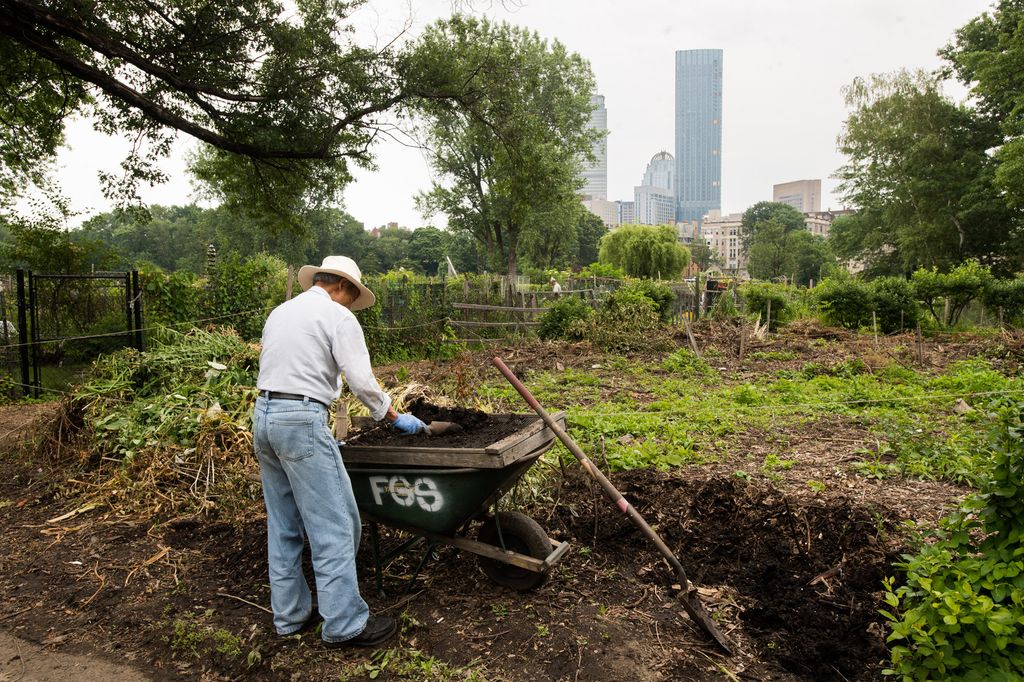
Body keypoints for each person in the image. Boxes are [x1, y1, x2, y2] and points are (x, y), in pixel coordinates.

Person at [253, 255, 426, 648]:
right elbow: (361, 380)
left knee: (283, 525)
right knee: (336, 523)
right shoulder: (338, 316)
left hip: (263, 416)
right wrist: (392, 416)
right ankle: (345, 623)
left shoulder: (282, 312)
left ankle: (290, 616)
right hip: (300, 419)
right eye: (353, 297)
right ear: (344, 287)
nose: (351, 305)